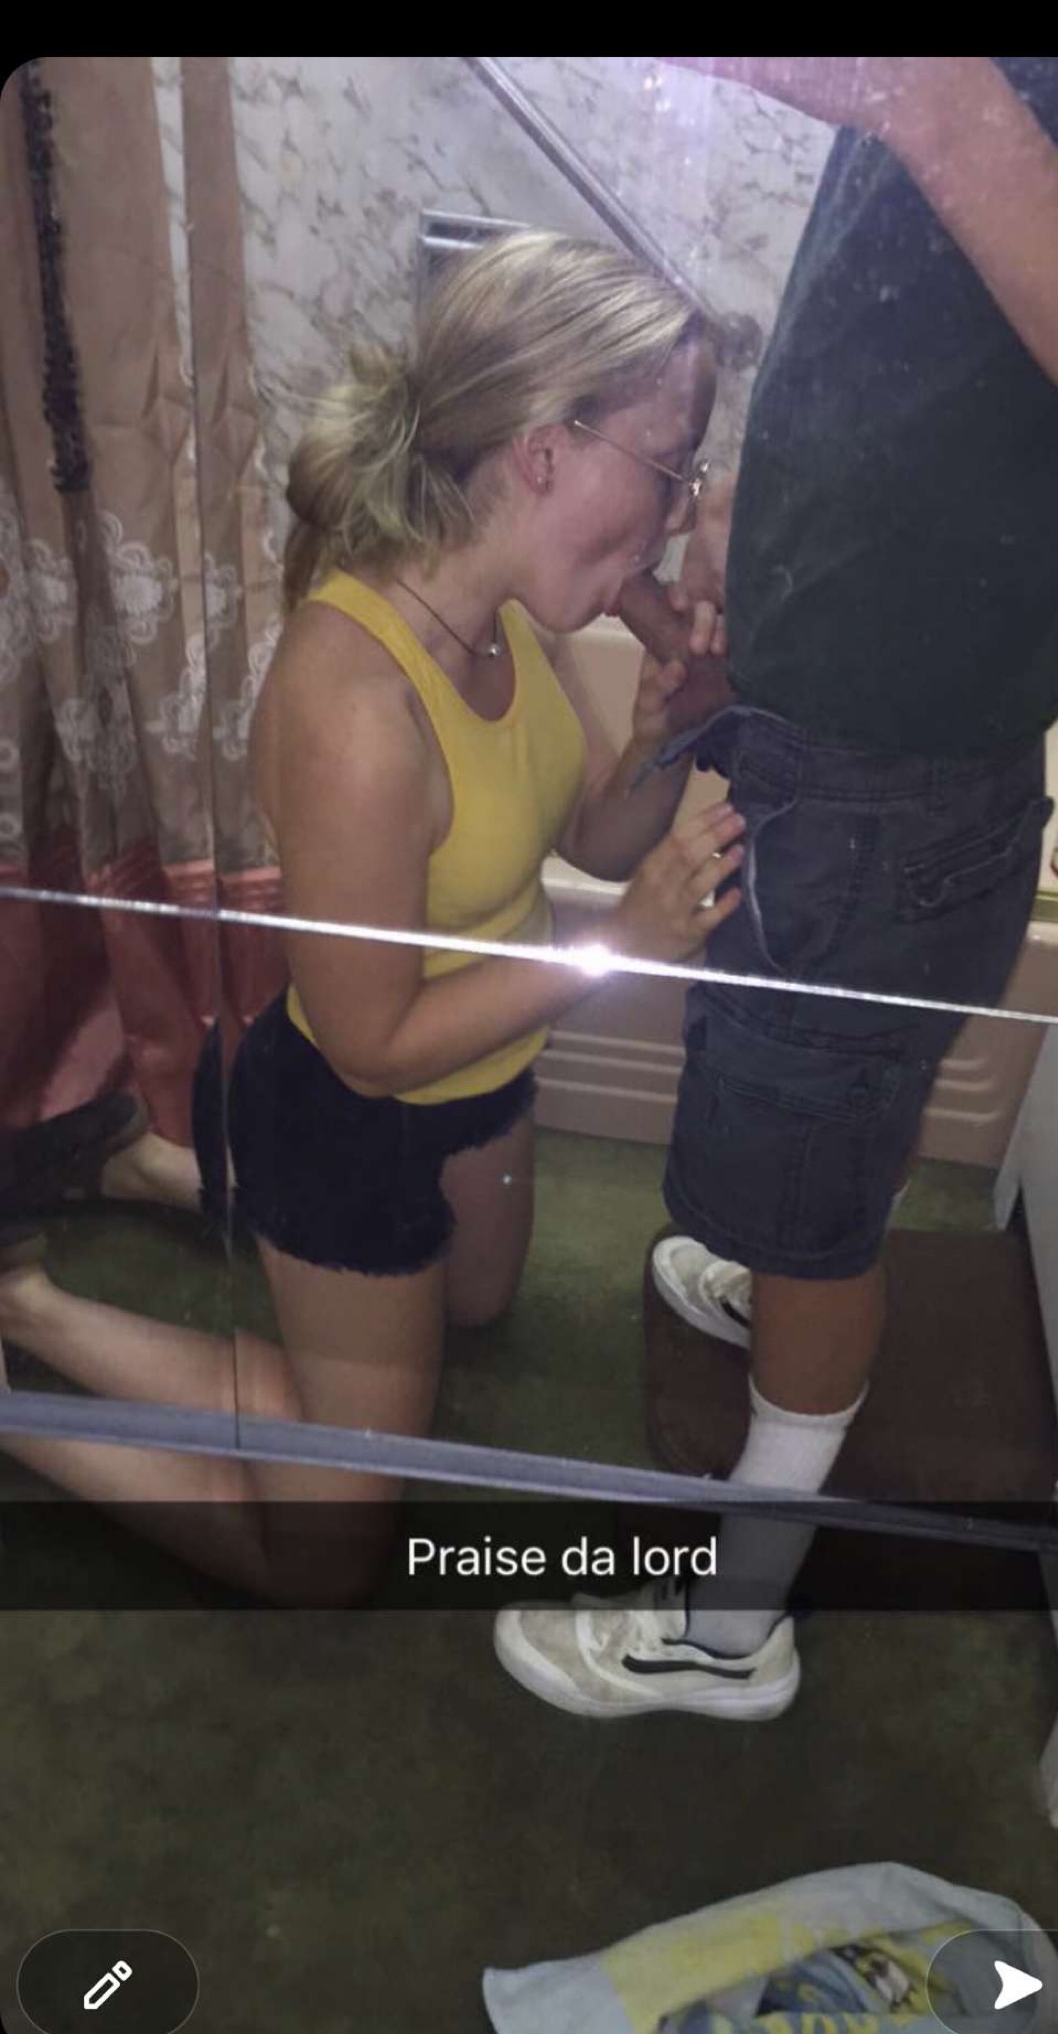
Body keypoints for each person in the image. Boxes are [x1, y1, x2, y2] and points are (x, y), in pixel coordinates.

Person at [493, 56, 1058, 1721]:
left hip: (881, 797)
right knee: (832, 1116)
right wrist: (749, 526)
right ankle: (791, 1266)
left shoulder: (981, 84)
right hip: (873, 763)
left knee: (823, 1195)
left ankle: (726, 1631)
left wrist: (930, 101)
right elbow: (915, 361)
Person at [0, 230, 740, 1607]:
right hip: (349, 1112)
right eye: (669, 464)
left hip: (484, 1077)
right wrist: (617, 949)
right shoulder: (357, 704)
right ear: (545, 448)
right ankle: (28, 1313)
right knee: (328, 1561)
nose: (676, 515)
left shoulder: (507, 615)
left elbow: (588, 834)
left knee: (475, 1313)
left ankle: (162, 1174)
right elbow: (371, 1045)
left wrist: (663, 733)